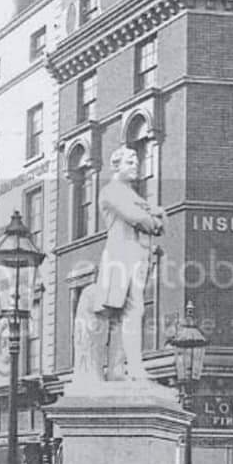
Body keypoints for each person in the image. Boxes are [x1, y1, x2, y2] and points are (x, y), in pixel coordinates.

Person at [92, 146, 165, 380]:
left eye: (137, 161)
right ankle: (131, 369)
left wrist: (153, 216)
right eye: (130, 162)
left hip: (136, 255)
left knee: (130, 312)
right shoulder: (111, 191)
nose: (136, 165)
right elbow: (140, 218)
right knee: (128, 311)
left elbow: (159, 222)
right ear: (116, 165)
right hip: (121, 254)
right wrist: (152, 215)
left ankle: (119, 370)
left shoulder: (132, 195)